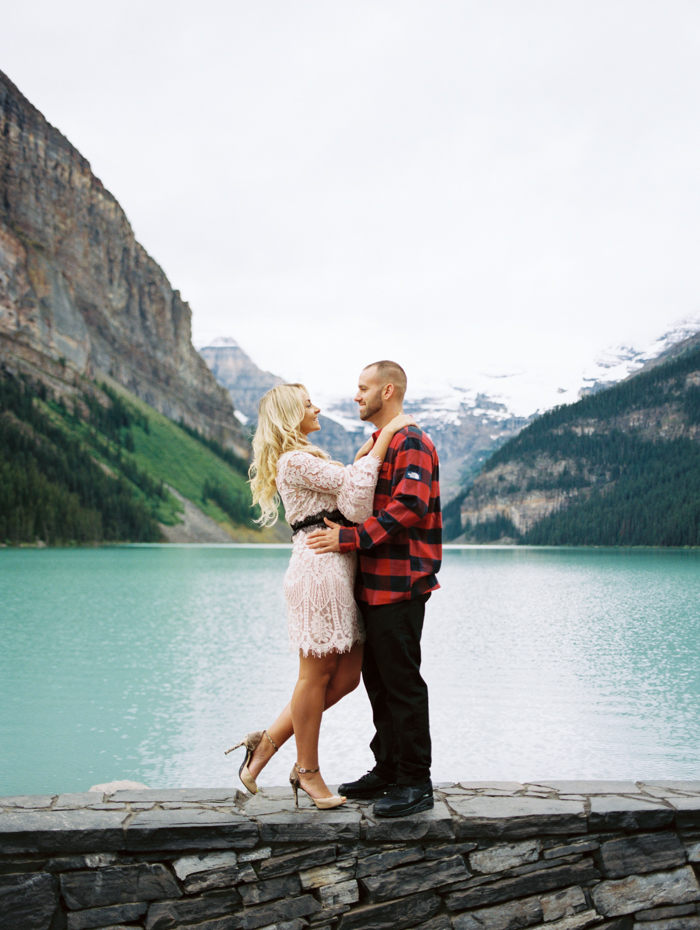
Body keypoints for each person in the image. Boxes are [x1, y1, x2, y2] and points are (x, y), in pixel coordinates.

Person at [226, 382, 414, 810]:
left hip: (338, 570)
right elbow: (358, 495)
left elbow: (352, 499)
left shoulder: (308, 459)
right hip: (316, 572)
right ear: (292, 414)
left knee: (346, 678)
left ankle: (265, 745)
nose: (318, 408)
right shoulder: (293, 460)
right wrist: (385, 437)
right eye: (309, 404)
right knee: (313, 676)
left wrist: (365, 458)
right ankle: (306, 771)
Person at [306, 361, 442, 818]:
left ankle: (415, 781)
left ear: (388, 390)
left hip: (401, 583)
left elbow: (410, 506)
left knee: (401, 682)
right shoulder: (380, 445)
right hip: (373, 584)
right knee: (378, 681)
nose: (356, 395)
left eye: (363, 388)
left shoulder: (412, 442)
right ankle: (387, 769)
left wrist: (348, 538)